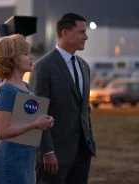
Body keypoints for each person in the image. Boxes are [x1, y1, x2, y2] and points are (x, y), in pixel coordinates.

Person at [29, 13, 97, 184]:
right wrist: (47, 151)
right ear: (65, 33)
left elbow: (84, 109)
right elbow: (37, 113)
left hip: (82, 155)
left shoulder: (84, 66)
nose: (86, 37)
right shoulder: (43, 67)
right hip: (54, 157)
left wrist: (89, 139)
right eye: (81, 32)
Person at [0, 34, 54, 184]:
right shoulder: (6, 89)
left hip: (25, 159)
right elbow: (1, 131)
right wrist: (36, 124)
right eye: (25, 54)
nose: (31, 57)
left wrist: (45, 122)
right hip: (10, 160)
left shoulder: (26, 86)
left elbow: (27, 120)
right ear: (12, 59)